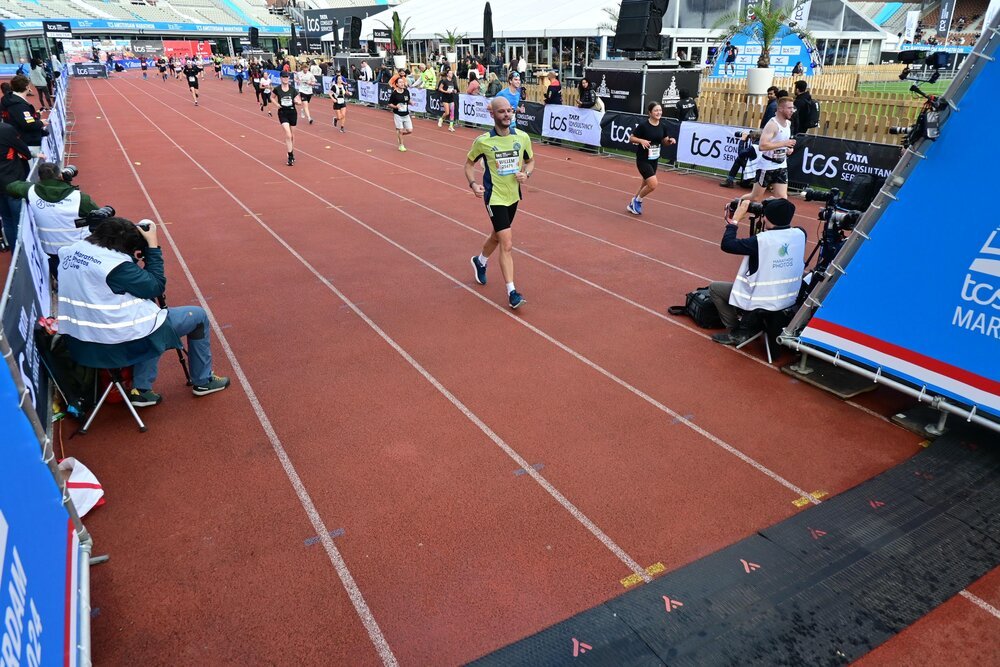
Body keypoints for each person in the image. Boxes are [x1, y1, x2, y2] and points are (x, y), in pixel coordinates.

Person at [56, 217, 230, 406]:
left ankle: (142, 390)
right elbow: (155, 286)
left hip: (80, 343)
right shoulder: (115, 267)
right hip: (113, 343)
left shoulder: (70, 251)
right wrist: (153, 247)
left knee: (147, 316)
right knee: (194, 317)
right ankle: (203, 381)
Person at [466, 96, 535, 310]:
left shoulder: (522, 137)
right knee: (507, 242)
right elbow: (468, 165)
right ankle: (512, 292)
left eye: (509, 111)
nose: (507, 115)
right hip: (494, 197)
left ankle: (480, 261)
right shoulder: (483, 141)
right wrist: (474, 184)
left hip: (513, 196)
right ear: (492, 114)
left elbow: (530, 160)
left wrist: (526, 173)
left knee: (497, 235)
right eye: (502, 111)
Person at [709, 198, 805, 345]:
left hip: (760, 300)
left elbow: (727, 245)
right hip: (788, 299)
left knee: (715, 288)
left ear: (766, 217)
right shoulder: (800, 234)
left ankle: (738, 332)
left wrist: (734, 220)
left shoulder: (761, 241)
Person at [6, 162, 102, 273]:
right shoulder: (80, 198)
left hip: (48, 251)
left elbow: (11, 187)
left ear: (39, 177)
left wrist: (34, 185)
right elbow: (100, 216)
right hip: (78, 250)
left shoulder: (31, 191)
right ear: (60, 176)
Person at [626, 102, 677, 215]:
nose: (658, 112)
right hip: (643, 159)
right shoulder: (644, 126)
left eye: (660, 110)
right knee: (653, 184)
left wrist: (670, 141)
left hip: (654, 159)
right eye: (656, 110)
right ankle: (638, 201)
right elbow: (631, 138)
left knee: (645, 184)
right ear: (650, 112)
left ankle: (632, 204)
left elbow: (664, 141)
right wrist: (641, 141)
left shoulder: (663, 126)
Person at [745, 96, 795, 202]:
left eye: (793, 108)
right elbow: (762, 146)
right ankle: (734, 205)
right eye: (789, 108)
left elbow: (781, 144)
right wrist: (784, 143)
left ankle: (769, 214)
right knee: (755, 197)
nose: (792, 111)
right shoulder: (772, 125)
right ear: (780, 109)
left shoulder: (788, 124)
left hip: (781, 165)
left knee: (782, 199)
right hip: (766, 166)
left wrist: (787, 149)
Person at [0, 123, 32, 250]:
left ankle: (16, 254)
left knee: (7, 220)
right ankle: (24, 251)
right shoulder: (6, 129)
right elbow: (26, 153)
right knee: (20, 221)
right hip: (13, 183)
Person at [5, 76, 48, 156]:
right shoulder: (19, 104)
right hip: (28, 142)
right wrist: (41, 123)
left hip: (23, 139)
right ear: (27, 87)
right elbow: (28, 124)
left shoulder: (13, 100)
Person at [274, 72, 302, 166]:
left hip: (292, 113)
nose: (285, 79)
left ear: (288, 78)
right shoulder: (277, 89)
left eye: (287, 77)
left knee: (292, 136)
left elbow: (299, 101)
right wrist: (277, 104)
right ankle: (290, 156)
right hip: (283, 113)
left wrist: (297, 102)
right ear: (280, 78)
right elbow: (272, 98)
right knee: (288, 134)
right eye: (283, 77)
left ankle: (291, 152)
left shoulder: (293, 89)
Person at [388, 74, 413, 152]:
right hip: (398, 115)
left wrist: (411, 102)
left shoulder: (406, 91)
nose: (402, 84)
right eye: (400, 82)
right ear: (397, 84)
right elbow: (389, 104)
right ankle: (401, 145)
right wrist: (395, 107)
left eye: (403, 82)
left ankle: (400, 135)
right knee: (400, 130)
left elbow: (407, 100)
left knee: (410, 131)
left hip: (406, 114)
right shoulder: (394, 94)